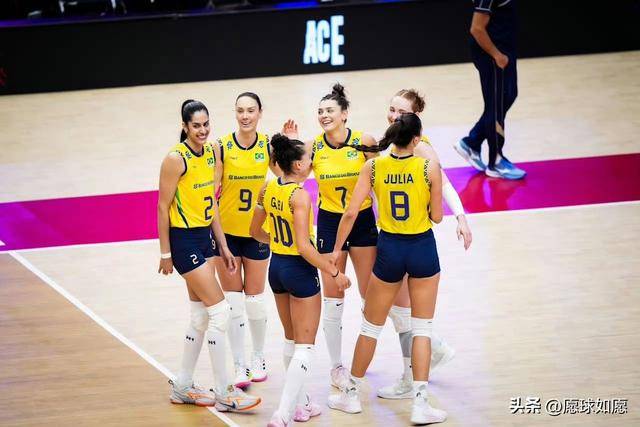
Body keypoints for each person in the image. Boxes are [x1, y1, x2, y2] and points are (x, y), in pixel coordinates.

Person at [327, 113, 447, 425]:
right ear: (416, 140)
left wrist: (337, 249)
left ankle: (351, 394)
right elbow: (437, 217)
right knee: (422, 329)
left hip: (390, 249)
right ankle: (420, 403)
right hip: (422, 248)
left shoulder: (374, 167)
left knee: (370, 327)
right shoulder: (429, 167)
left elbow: (351, 212)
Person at [157, 99, 261, 412]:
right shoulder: (176, 159)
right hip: (184, 242)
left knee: (201, 316)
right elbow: (162, 206)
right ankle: (226, 392)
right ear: (185, 126)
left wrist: (223, 246)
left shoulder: (211, 153)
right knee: (220, 312)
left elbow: (212, 203)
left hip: (205, 239)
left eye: (205, 124)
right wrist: (165, 252)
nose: (202, 130)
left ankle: (183, 385)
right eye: (196, 126)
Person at [377, 89, 472, 400]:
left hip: (411, 239)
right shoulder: (392, 141)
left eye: (401, 113)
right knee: (395, 308)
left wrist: (461, 217)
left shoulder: (421, 148)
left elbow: (444, 184)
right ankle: (434, 351)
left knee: (400, 309)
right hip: (392, 236)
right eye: (392, 109)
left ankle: (412, 376)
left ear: (415, 118)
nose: (393, 116)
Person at [250, 134, 351, 426]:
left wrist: (277, 243)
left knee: (291, 339)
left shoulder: (268, 187)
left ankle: (301, 403)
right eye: (308, 158)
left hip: (276, 267)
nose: (312, 161)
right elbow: (305, 248)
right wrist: (335, 272)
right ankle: (282, 413)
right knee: (305, 347)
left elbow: (255, 231)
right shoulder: (300, 196)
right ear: (297, 165)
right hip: (299, 270)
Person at [304, 83, 379, 388]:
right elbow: (291, 174)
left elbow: (381, 179)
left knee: (370, 294)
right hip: (329, 222)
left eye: (330, 111)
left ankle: (365, 354)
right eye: (320, 111)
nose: (324, 115)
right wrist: (289, 143)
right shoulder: (313, 147)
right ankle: (336, 366)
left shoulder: (364, 141)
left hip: (362, 219)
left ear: (344, 114)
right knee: (334, 294)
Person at [213, 92, 279, 388]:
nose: (245, 116)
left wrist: (290, 143)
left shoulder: (267, 145)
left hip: (256, 233)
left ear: (260, 113)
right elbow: (211, 191)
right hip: (226, 235)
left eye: (251, 110)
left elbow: (290, 176)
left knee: (254, 301)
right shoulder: (222, 146)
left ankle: (258, 356)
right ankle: (239, 364)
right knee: (234, 303)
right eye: (240, 110)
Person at [454, 0, 526, 180]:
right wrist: (496, 55)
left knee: (508, 95)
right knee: (497, 105)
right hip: (493, 56)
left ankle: (472, 142)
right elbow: (477, 28)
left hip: (504, 50)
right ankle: (496, 162)